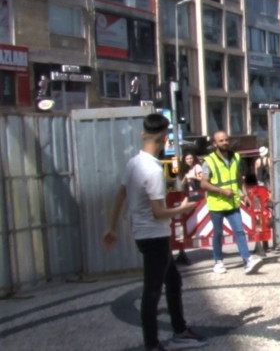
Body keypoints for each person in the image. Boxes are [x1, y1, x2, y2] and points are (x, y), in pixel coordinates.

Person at [102, 113, 207, 351]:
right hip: (154, 236)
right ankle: (153, 344)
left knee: (173, 281)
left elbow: (120, 194)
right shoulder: (153, 170)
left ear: (143, 134)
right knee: (152, 292)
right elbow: (159, 212)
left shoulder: (134, 163)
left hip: (145, 235)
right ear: (164, 138)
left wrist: (111, 227)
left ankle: (180, 330)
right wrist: (182, 208)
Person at [198, 131, 263, 275]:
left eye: (226, 140)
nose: (225, 143)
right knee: (218, 233)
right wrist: (221, 191)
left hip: (233, 203)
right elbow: (203, 184)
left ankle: (247, 260)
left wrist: (244, 194)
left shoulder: (235, 157)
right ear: (215, 144)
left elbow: (238, 178)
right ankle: (218, 261)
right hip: (217, 203)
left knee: (239, 231)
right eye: (221, 141)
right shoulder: (209, 161)